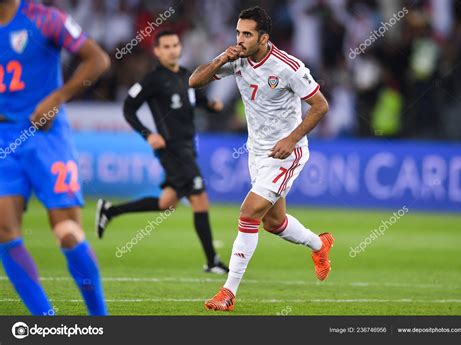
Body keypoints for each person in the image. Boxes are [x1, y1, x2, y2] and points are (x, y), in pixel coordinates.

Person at [189, 6, 333, 311]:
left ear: (264, 37)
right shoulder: (236, 59)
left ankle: (228, 293)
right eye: (238, 32)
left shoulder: (288, 67)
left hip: (287, 152)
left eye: (247, 34)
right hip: (256, 151)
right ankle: (320, 245)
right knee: (274, 222)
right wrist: (221, 58)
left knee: (248, 212)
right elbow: (194, 81)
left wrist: (291, 139)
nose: (240, 39)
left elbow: (320, 106)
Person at [0, 0, 110, 315]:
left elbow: (98, 59)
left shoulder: (45, 19)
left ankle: (99, 320)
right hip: (3, 139)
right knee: (4, 233)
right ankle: (46, 321)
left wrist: (57, 97)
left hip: (46, 135)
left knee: (67, 233)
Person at [96, 30, 229, 274]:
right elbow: (128, 108)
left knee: (166, 202)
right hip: (172, 148)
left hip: (188, 146)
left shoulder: (187, 75)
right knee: (200, 198)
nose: (172, 50)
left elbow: (195, 100)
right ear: (157, 51)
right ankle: (212, 261)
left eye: (175, 45)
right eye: (166, 46)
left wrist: (211, 106)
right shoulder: (153, 80)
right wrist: (149, 135)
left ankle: (110, 210)